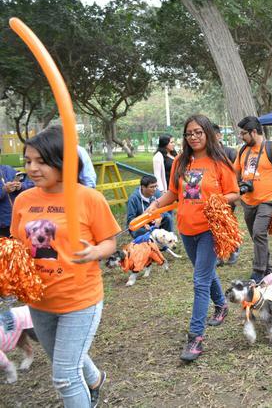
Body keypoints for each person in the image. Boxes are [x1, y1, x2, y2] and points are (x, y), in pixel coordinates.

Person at [10, 125, 120, 407]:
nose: (32, 168)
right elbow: (17, 244)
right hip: (39, 301)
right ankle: (95, 379)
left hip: (79, 300)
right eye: (28, 161)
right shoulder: (23, 199)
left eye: (41, 161)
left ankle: (88, 386)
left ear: (63, 162)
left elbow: (110, 242)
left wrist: (95, 251)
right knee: (65, 355)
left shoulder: (88, 198)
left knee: (64, 375)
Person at [147, 115, 239, 362]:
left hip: (210, 228)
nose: (194, 137)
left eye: (199, 132)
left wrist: (218, 200)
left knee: (199, 280)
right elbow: (173, 193)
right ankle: (221, 304)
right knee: (204, 272)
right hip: (186, 228)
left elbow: (234, 193)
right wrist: (154, 205)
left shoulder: (219, 161)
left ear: (207, 132)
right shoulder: (180, 160)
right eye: (189, 134)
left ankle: (195, 337)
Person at [235, 116, 272, 282]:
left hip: (268, 199)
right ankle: (267, 269)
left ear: (253, 132)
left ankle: (258, 272)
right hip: (248, 201)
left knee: (259, 232)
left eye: (244, 133)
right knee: (256, 236)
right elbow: (236, 172)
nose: (241, 136)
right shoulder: (243, 150)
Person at [212, 123, 239, 265]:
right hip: (210, 200)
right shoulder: (205, 155)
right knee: (215, 227)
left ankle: (233, 249)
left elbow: (237, 174)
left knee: (228, 225)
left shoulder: (230, 152)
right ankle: (220, 255)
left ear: (218, 136)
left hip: (228, 198)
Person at [0, 152, 34, 238]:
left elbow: (30, 183)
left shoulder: (8, 169)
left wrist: (20, 186)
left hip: (16, 220)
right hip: (2, 224)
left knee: (19, 248)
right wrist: (3, 190)